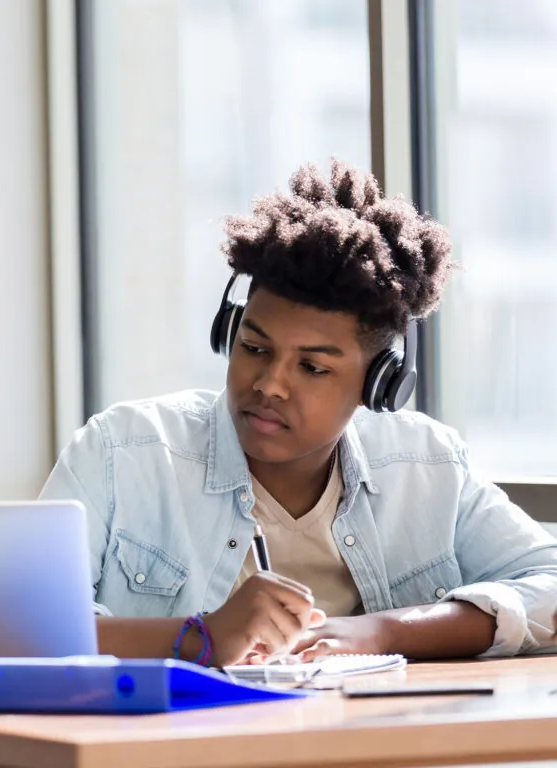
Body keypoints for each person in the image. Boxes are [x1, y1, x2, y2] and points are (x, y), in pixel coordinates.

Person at [40, 160, 557, 668]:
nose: (268, 386)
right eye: (255, 348)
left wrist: (379, 631)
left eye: (311, 367)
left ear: (380, 384)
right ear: (230, 334)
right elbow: (18, 629)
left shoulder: (428, 465)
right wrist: (201, 639)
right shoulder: (122, 450)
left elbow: (550, 584)